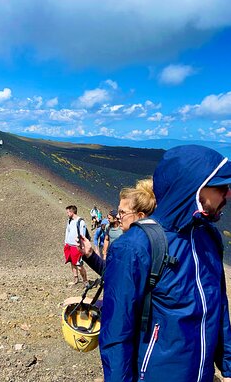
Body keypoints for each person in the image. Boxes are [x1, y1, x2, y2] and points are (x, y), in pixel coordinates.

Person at [100, 145, 231, 382]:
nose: (228, 194)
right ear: (193, 188)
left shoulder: (209, 238)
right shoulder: (136, 246)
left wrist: (228, 367)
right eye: (220, 187)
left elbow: (219, 307)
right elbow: (116, 335)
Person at [79, 179, 155, 276]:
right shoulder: (156, 240)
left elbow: (115, 280)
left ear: (140, 216)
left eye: (122, 212)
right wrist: (90, 254)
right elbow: (113, 272)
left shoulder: (130, 247)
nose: (118, 216)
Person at [64, 205, 88, 286]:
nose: (67, 214)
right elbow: (67, 231)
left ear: (72, 212)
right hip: (69, 245)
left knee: (79, 265)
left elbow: (83, 235)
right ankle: (76, 279)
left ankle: (85, 281)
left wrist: (81, 246)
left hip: (77, 246)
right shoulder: (69, 220)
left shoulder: (81, 222)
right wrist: (66, 242)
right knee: (72, 262)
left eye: (68, 212)